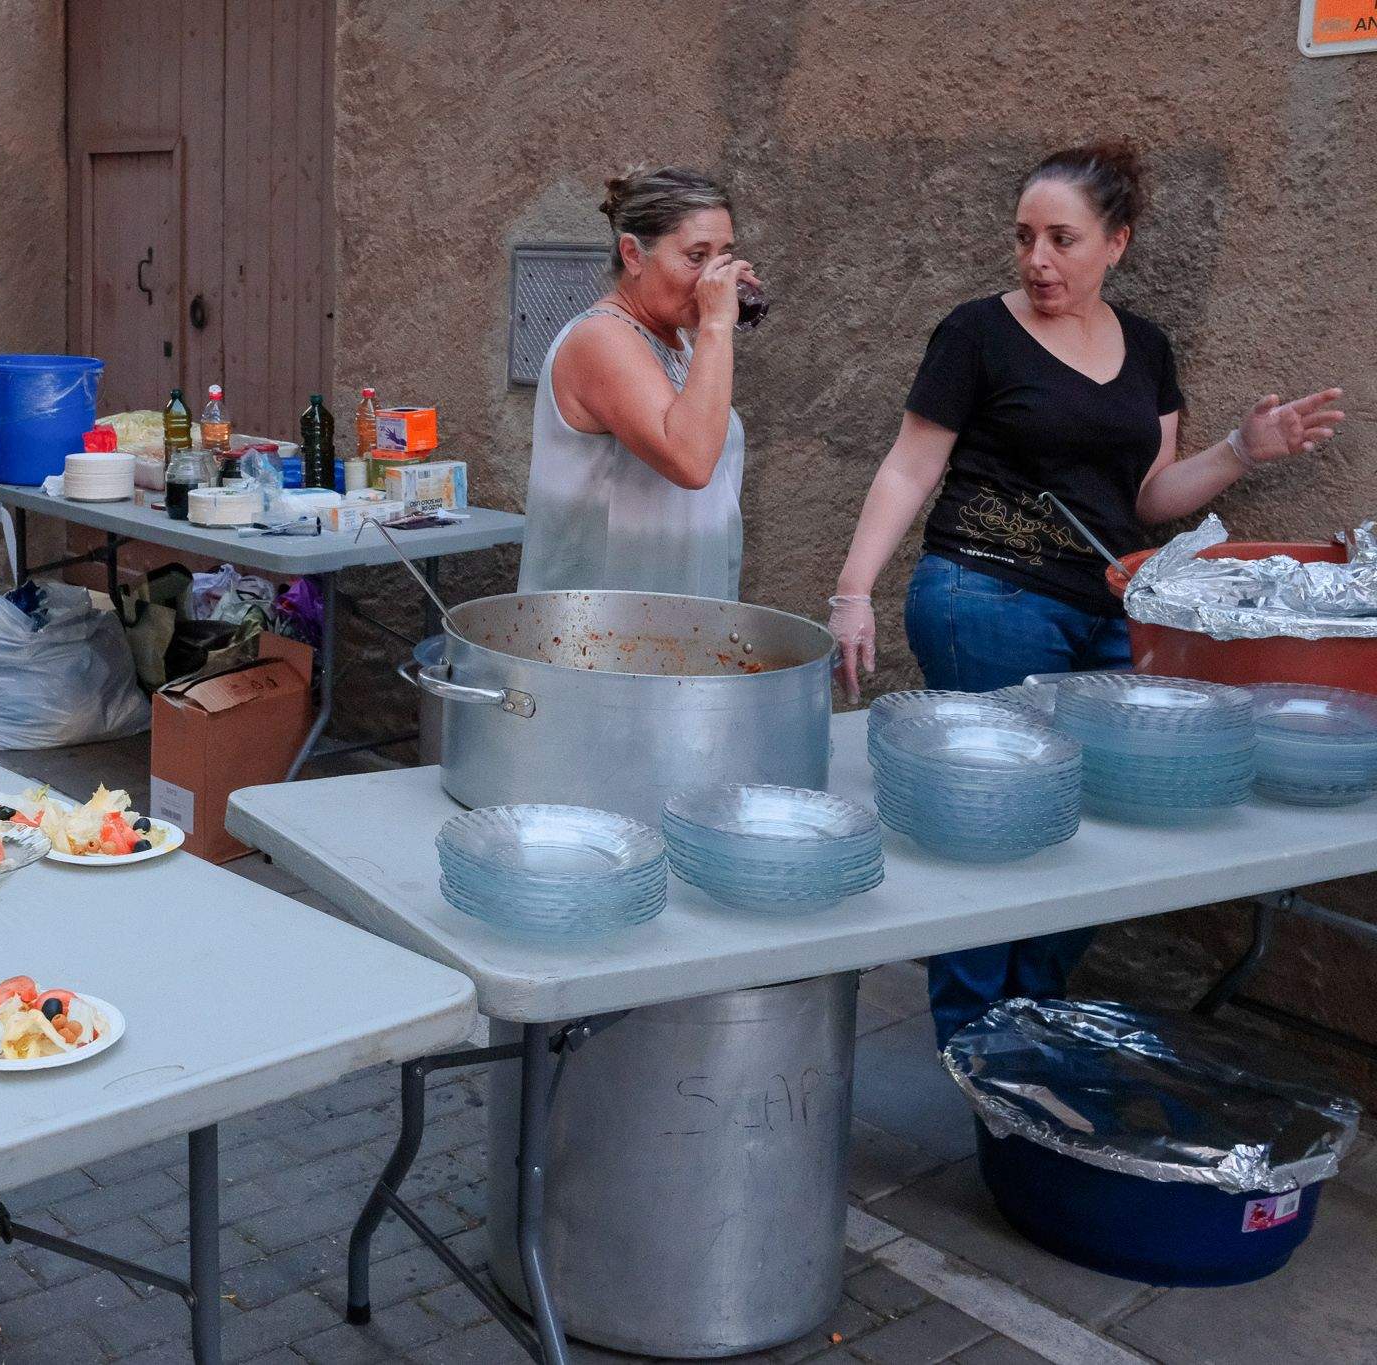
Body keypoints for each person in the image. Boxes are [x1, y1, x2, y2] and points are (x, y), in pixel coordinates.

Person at [827, 140, 1346, 1047]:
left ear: (1117, 243)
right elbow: (912, 466)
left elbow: (1147, 499)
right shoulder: (975, 333)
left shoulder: (1145, 346)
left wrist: (1241, 451)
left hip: (1111, 610)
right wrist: (851, 590)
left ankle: (1036, 1021)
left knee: (1099, 824)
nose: (1037, 260)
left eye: (1062, 239)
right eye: (1025, 236)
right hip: (982, 596)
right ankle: (977, 1040)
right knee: (992, 820)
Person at [517, 165, 757, 599]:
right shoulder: (602, 338)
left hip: (676, 623)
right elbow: (690, 460)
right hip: (598, 637)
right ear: (633, 254)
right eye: (696, 256)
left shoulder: (680, 344)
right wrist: (718, 327)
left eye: (723, 257)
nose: (716, 279)